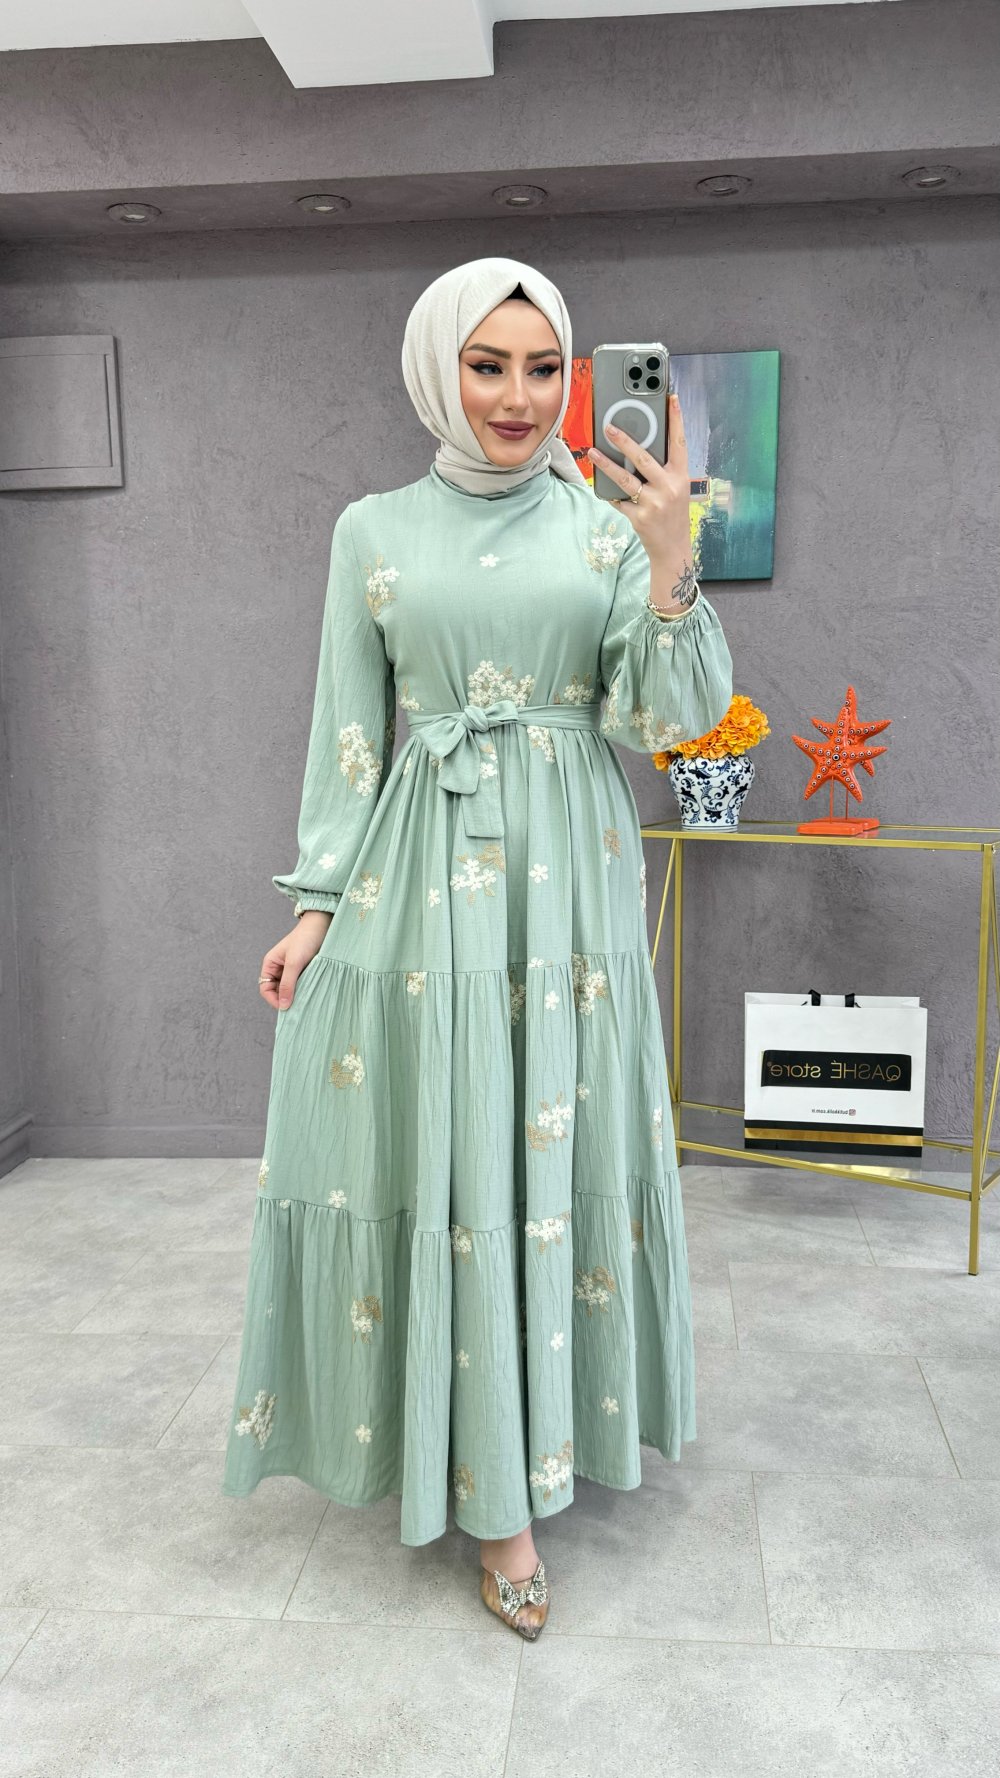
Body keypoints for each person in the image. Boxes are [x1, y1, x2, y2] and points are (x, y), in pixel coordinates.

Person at [221, 255, 733, 1642]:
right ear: (438, 370)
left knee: (551, 1149)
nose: (518, 396)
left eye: (543, 367)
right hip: (426, 877)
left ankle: (552, 1427)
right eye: (489, 365)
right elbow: (348, 733)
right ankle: (491, 1494)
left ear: (573, 378)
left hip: (570, 887)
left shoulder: (606, 532)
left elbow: (665, 722)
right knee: (449, 1153)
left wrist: (670, 561)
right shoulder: (372, 529)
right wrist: (315, 905)